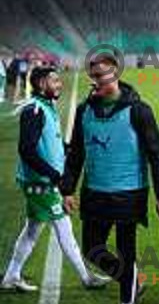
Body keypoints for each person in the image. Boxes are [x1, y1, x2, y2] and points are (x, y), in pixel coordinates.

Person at [61, 54, 159, 304]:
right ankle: (131, 280)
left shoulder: (138, 110)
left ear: (115, 74)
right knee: (92, 249)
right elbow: (76, 153)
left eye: (101, 75)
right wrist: (68, 188)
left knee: (127, 251)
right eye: (93, 76)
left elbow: (157, 154)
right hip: (94, 193)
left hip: (128, 194)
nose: (96, 80)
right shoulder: (84, 110)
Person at [1, 66, 109, 292]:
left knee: (32, 230)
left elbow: (51, 143)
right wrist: (53, 175)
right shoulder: (34, 111)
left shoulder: (46, 107)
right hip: (39, 183)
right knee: (63, 226)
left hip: (40, 181)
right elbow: (26, 150)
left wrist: (70, 149)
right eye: (55, 81)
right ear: (41, 84)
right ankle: (86, 277)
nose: (59, 85)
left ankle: (11, 276)